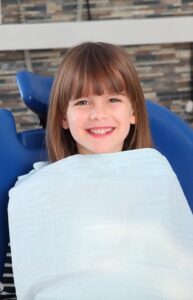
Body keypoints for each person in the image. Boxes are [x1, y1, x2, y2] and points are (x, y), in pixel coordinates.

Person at [7, 42, 193, 300]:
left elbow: (178, 268)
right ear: (63, 116)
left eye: (113, 99)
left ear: (133, 113)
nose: (98, 114)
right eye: (83, 101)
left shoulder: (157, 178)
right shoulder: (36, 190)